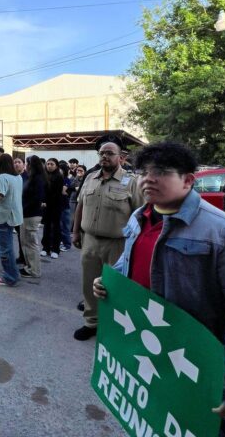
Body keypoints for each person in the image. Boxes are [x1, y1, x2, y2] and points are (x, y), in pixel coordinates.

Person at [94, 141, 225, 437]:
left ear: (188, 180)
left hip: (194, 359)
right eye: (144, 171)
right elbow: (129, 264)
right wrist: (109, 282)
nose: (148, 178)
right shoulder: (140, 218)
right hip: (146, 350)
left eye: (161, 172)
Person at [72, 137, 143, 341]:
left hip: (118, 244)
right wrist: (76, 232)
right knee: (89, 284)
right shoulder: (90, 178)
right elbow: (80, 206)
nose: (105, 156)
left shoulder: (131, 182)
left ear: (121, 157)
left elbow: (140, 215)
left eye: (110, 153)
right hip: (90, 240)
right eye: (102, 153)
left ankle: (114, 324)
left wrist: (136, 245)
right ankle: (91, 322)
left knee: (114, 287)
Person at [0, 153, 23, 287]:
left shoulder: (3, 177)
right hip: (14, 215)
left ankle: (10, 277)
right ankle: (13, 273)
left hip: (3, 216)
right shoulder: (18, 177)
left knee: (5, 249)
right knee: (8, 247)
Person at [19, 156, 47, 278]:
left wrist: (23, 209)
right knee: (26, 242)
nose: (25, 165)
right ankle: (29, 267)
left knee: (30, 243)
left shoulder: (37, 179)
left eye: (26, 163)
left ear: (31, 164)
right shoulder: (33, 177)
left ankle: (34, 270)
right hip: (27, 214)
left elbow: (36, 199)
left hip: (31, 215)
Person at [41, 158, 64, 259]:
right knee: (46, 227)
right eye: (48, 164)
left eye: (52, 164)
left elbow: (57, 194)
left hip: (56, 206)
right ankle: (45, 248)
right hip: (46, 206)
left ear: (56, 166)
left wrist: (47, 202)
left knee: (55, 228)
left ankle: (55, 249)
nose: (49, 166)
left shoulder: (59, 176)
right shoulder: (44, 175)